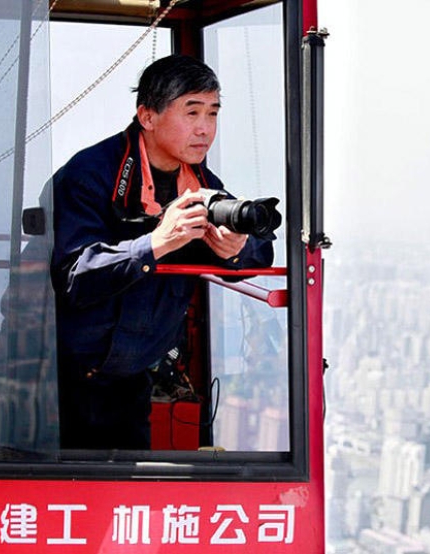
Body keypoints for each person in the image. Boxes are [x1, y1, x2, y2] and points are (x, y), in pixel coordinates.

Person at [51, 55, 274, 450]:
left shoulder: (201, 182)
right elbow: (73, 276)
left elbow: (258, 251)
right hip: (61, 378)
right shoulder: (91, 174)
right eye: (192, 112)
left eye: (213, 113)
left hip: (133, 377)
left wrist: (236, 250)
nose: (205, 129)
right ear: (147, 116)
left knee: (122, 505)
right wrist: (156, 242)